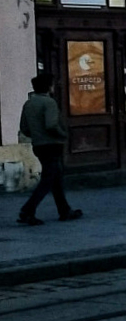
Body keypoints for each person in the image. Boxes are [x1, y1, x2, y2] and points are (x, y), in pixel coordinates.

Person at [17, 74, 81, 226]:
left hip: (38, 145)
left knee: (56, 178)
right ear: (49, 87)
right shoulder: (49, 102)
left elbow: (24, 128)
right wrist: (63, 134)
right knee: (48, 180)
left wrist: (36, 134)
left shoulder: (29, 104)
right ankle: (27, 210)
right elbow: (51, 124)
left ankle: (64, 210)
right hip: (52, 145)